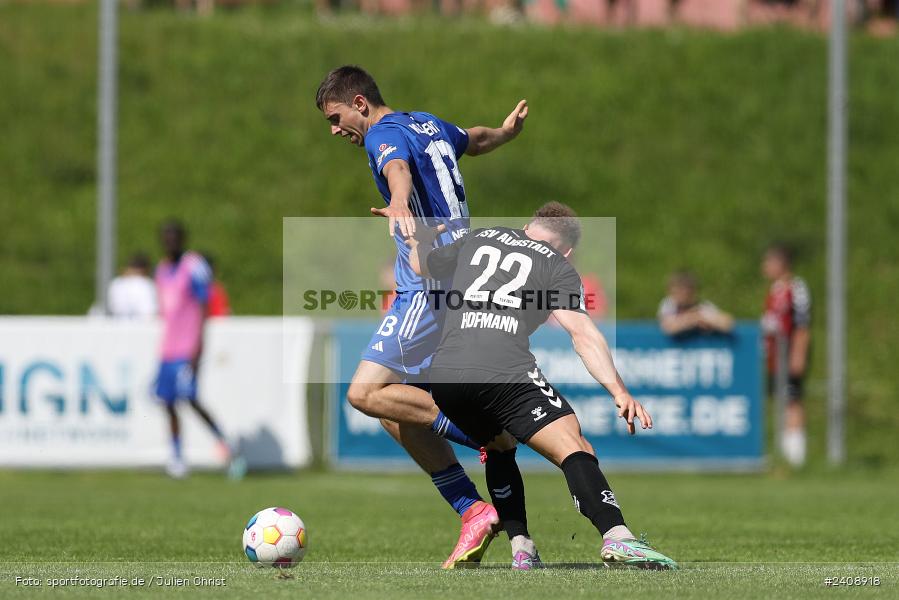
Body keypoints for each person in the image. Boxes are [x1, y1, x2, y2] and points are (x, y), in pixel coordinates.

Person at [316, 65, 529, 568]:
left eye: (335, 116)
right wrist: (505, 133)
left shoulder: (382, 136)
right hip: (461, 276)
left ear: (360, 104)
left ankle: (487, 432)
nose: (334, 129)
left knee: (364, 392)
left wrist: (395, 203)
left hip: (430, 284)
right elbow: (472, 139)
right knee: (396, 410)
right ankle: (474, 510)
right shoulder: (426, 123)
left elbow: (398, 172)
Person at [408, 202, 678, 570]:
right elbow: (582, 333)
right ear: (568, 249)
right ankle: (618, 537)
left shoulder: (479, 237)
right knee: (574, 445)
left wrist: (418, 241)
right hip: (501, 367)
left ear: (527, 226)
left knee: (498, 444)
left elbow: (421, 266)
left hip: (447, 375)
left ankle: (521, 546)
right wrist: (618, 390)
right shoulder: (557, 264)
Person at [155, 220, 233, 479]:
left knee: (190, 398)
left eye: (174, 237)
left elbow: (204, 305)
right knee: (168, 402)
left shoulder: (193, 266)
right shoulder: (163, 269)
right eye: (166, 237)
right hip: (168, 349)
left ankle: (225, 443)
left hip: (188, 347)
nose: (170, 242)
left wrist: (198, 347)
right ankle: (176, 457)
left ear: (183, 239)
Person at [761, 243, 811, 467]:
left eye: (768, 262)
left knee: (792, 401)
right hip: (774, 357)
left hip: (788, 354)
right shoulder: (775, 290)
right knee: (780, 401)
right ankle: (783, 454)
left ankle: (796, 458)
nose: (765, 267)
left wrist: (798, 354)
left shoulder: (796, 288)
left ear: (781, 264)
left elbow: (802, 323)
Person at [657, 270, 734, 335]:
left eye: (685, 291)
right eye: (678, 291)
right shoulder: (669, 304)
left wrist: (709, 322)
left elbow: (727, 323)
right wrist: (694, 319)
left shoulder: (702, 305)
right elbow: (669, 327)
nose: (681, 295)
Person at [107, 253, 158, 319]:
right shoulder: (146, 284)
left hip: (116, 327)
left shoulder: (115, 283)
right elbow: (150, 314)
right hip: (141, 327)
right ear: (145, 270)